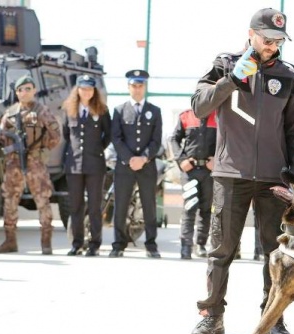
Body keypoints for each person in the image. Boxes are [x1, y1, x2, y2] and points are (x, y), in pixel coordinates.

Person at [189, 8, 294, 334]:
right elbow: (199, 107)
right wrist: (230, 80)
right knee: (221, 250)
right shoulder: (224, 64)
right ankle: (212, 316)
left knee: (277, 253)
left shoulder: (287, 75)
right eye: (267, 39)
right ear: (251, 33)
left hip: (274, 179)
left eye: (278, 41)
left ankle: (272, 320)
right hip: (230, 174)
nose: (272, 46)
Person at [0, 75, 61, 254]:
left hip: (35, 163)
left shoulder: (42, 111)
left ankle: (46, 243)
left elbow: (55, 135)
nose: (24, 92)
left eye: (28, 89)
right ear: (16, 92)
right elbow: (1, 136)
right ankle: (10, 241)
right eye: (21, 90)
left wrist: (41, 150)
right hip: (14, 162)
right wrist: (12, 148)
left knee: (42, 201)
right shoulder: (10, 113)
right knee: (10, 200)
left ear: (34, 91)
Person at [110, 69, 163, 258]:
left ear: (145, 87)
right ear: (128, 87)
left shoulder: (154, 111)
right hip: (125, 167)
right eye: (134, 86)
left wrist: (144, 158)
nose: (137, 89)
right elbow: (116, 138)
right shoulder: (119, 110)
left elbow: (156, 141)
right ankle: (118, 244)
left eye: (140, 86)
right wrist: (129, 159)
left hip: (147, 167)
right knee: (121, 205)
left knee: (149, 205)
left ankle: (151, 245)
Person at [62, 75, 111, 257]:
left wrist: (97, 149)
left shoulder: (102, 110)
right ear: (78, 90)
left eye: (90, 89)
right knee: (75, 206)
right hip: (74, 165)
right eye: (83, 89)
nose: (86, 92)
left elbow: (108, 134)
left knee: (94, 206)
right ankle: (77, 243)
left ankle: (94, 244)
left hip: (95, 165)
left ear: (94, 91)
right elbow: (67, 134)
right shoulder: (69, 110)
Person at [170, 108, 216, 259]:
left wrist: (217, 160)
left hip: (209, 171)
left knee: (206, 208)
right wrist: (181, 159)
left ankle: (201, 244)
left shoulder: (218, 115)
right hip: (190, 171)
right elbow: (174, 139)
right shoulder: (185, 116)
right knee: (189, 208)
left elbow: (227, 140)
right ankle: (186, 246)